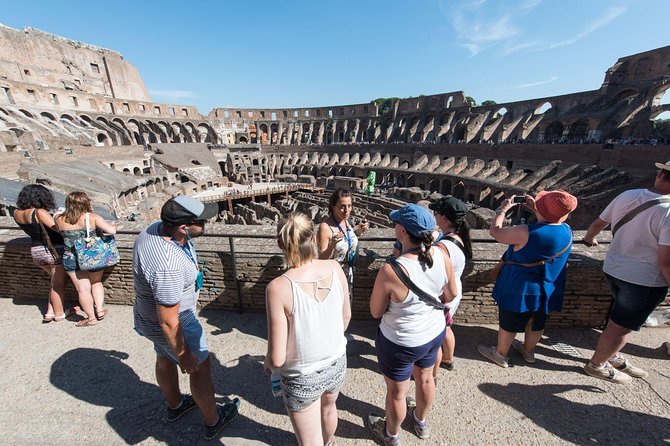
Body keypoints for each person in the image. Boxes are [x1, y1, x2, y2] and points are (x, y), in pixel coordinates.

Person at [132, 195, 239, 440]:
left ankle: (175, 405)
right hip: (177, 322)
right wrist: (184, 355)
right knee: (199, 368)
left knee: (163, 356)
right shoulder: (168, 264)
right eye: (201, 221)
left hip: (147, 318)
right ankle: (213, 420)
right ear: (184, 227)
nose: (207, 223)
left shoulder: (153, 231)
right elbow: (169, 320)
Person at [367, 204, 457, 445]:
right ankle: (421, 422)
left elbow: (375, 312)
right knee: (426, 379)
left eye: (397, 223)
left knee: (397, 393)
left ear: (404, 232)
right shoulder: (442, 254)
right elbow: (450, 295)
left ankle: (391, 435)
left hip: (401, 341)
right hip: (434, 332)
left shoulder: (391, 270)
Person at [264, 212, 351, 446]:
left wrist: (268, 364)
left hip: (302, 376)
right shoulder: (334, 266)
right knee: (329, 409)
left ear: (280, 244)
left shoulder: (277, 288)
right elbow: (346, 317)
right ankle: (330, 442)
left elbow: (278, 357)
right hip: (336, 362)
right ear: (312, 238)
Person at [581, 161, 670, 383]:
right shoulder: (668, 211)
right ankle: (597, 365)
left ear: (660, 174)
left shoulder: (628, 195)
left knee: (618, 317)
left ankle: (611, 354)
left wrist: (589, 239)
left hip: (613, 268)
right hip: (644, 280)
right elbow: (665, 261)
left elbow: (598, 224)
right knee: (621, 327)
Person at [478, 190, 577, 367]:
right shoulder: (567, 231)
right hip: (548, 287)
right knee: (537, 321)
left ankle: (500, 354)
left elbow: (496, 232)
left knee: (509, 321)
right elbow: (549, 224)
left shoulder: (525, 231)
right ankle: (529, 352)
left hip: (520, 287)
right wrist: (537, 210)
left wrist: (502, 209)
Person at [55, 191, 116, 327]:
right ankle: (99, 310)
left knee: (82, 289)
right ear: (86, 203)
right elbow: (112, 231)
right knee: (96, 282)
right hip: (92, 256)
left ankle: (91, 318)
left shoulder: (58, 218)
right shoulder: (92, 217)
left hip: (71, 257)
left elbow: (59, 230)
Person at [13, 184, 69, 323]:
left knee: (55, 281)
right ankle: (59, 313)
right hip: (53, 251)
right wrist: (58, 217)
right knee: (58, 284)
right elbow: (58, 229)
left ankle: (49, 312)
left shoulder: (17, 213)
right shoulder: (39, 212)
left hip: (36, 251)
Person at [429, 196, 473, 372]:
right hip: (455, 291)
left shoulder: (442, 246)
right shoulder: (460, 237)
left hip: (444, 296)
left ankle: (431, 373)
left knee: (433, 338)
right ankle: (448, 359)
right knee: (446, 327)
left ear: (444, 218)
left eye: (436, 213)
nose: (434, 216)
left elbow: (433, 273)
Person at [317, 188, 369, 298]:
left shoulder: (347, 221)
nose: (347, 210)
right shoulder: (325, 227)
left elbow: (346, 241)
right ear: (333, 206)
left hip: (348, 275)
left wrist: (359, 231)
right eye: (342, 206)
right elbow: (320, 260)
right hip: (332, 279)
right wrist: (331, 246)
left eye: (349, 206)